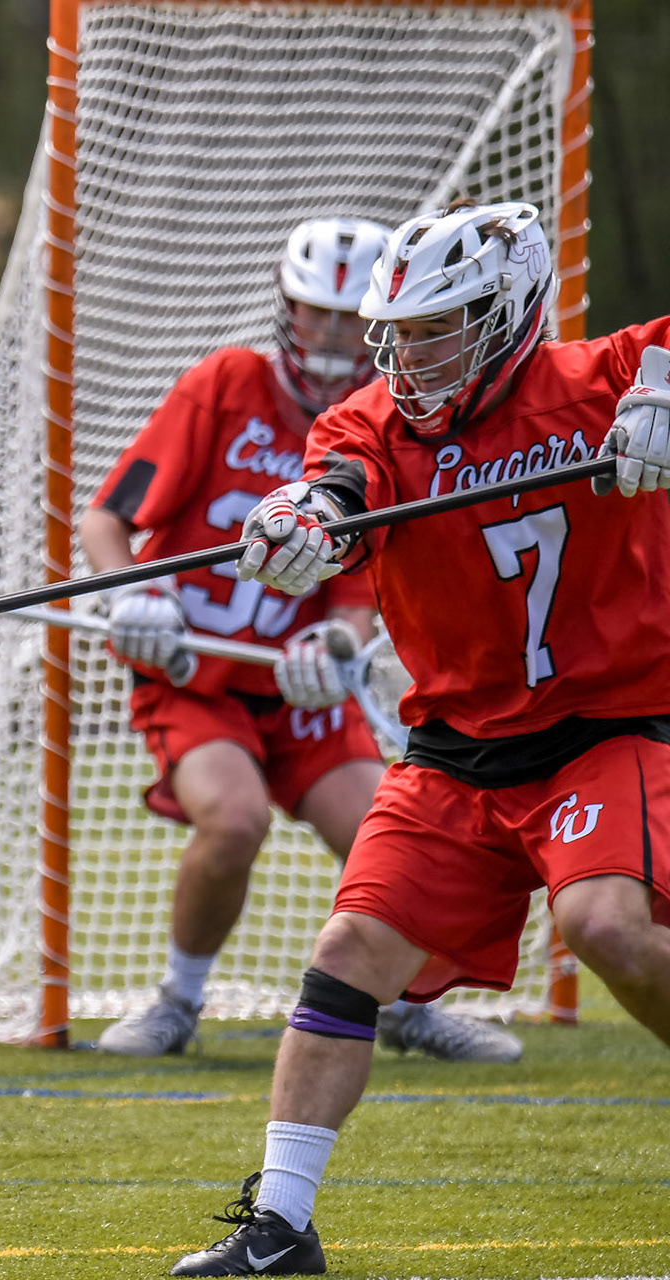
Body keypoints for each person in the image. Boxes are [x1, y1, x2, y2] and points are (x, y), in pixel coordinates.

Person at [170, 200, 670, 1276]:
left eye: (438, 328)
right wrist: (301, 522)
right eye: (398, 332)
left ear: (508, 316)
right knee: (347, 955)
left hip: (606, 726)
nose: (408, 354)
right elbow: (336, 485)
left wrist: (665, 400)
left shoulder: (603, 378)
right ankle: (281, 1229)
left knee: (605, 926)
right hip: (454, 747)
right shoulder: (368, 426)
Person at [84, 217, 522, 1064]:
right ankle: (178, 1001)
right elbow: (106, 521)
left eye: (347, 317)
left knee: (391, 842)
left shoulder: (386, 422)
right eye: (314, 311)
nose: (329, 334)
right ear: (286, 309)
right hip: (195, 673)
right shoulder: (226, 383)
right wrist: (135, 597)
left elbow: (359, 593)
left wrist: (338, 649)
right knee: (234, 820)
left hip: (299, 689)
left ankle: (406, 1006)